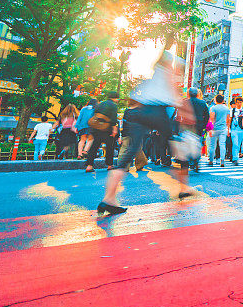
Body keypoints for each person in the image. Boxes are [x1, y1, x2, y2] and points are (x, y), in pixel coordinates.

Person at [97, 53, 182, 215]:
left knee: (126, 157)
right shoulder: (167, 74)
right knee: (175, 144)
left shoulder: (151, 77)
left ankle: (108, 199)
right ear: (169, 63)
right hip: (158, 110)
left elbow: (133, 96)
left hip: (139, 112)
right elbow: (174, 97)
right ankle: (184, 187)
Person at [84, 92, 120, 172]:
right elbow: (113, 118)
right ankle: (109, 165)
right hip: (107, 128)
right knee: (110, 146)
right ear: (115, 98)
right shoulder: (113, 105)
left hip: (96, 127)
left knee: (94, 146)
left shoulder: (100, 104)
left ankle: (89, 166)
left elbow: (95, 114)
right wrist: (114, 129)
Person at [187, 87, 209, 172]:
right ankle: (196, 162)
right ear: (197, 94)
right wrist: (204, 125)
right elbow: (207, 115)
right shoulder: (202, 103)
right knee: (197, 144)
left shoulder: (185, 102)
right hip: (199, 126)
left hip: (188, 126)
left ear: (188, 94)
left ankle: (190, 162)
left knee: (188, 144)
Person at [207, 95, 230, 167]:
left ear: (215, 100)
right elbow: (228, 119)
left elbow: (211, 118)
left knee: (212, 145)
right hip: (223, 129)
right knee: (222, 144)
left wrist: (210, 129)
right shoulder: (226, 108)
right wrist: (228, 129)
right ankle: (222, 160)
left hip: (214, 129)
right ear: (223, 100)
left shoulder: (213, 108)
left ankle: (211, 160)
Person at [229, 96, 243, 165]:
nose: (239, 104)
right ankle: (235, 158)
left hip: (241, 129)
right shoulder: (232, 110)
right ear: (235, 103)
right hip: (234, 129)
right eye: (238, 102)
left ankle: (236, 158)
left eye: (240, 102)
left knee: (239, 144)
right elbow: (229, 120)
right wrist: (228, 129)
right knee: (235, 144)